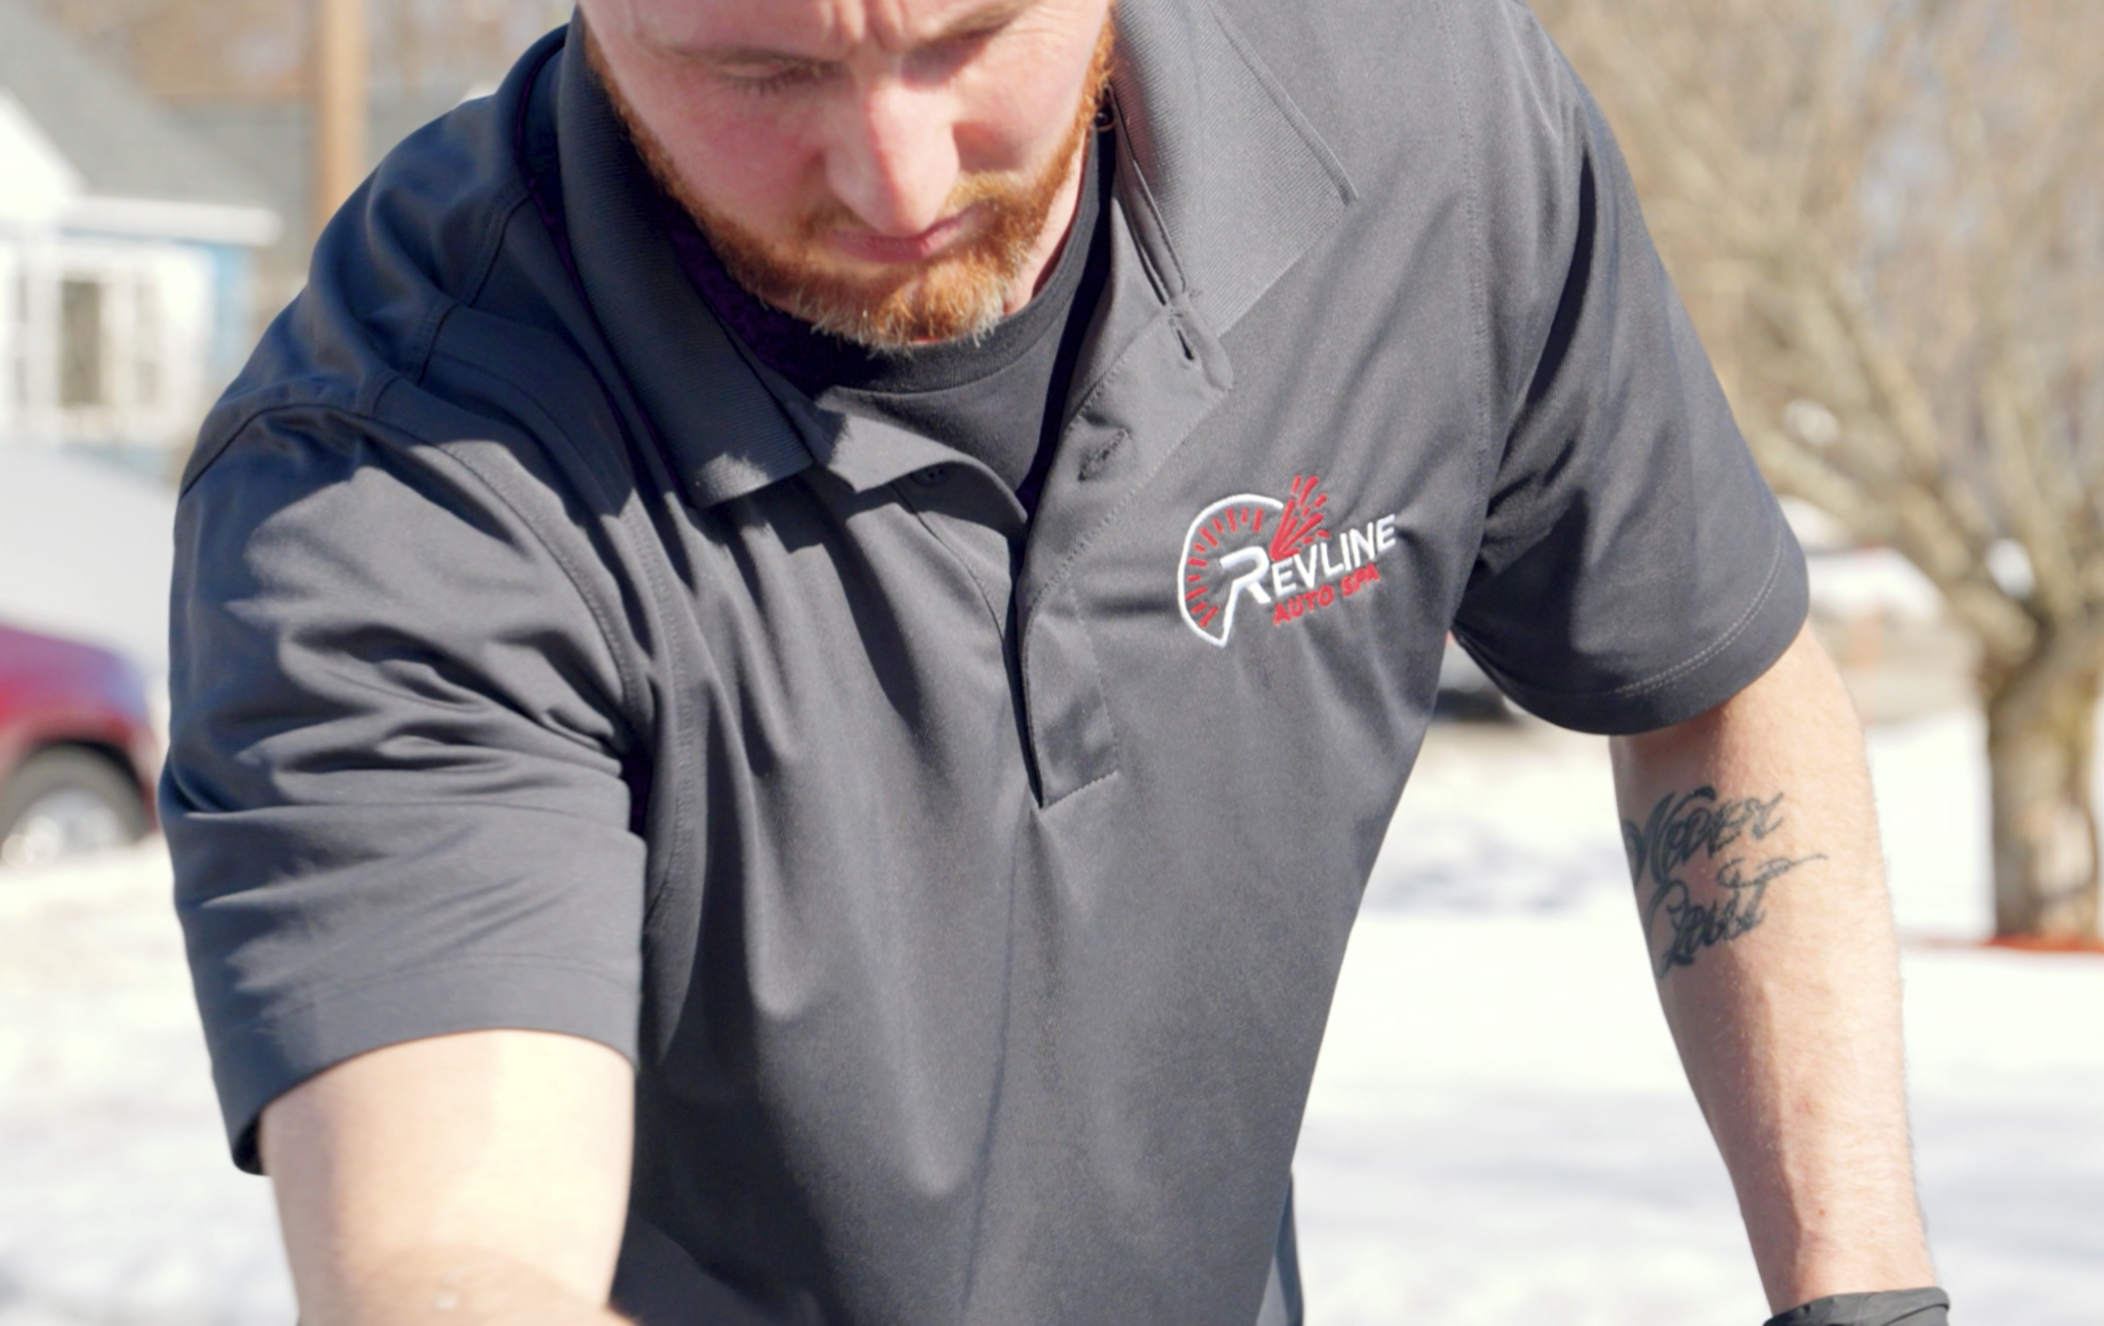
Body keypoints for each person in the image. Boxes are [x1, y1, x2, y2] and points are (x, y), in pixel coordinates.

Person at [164, 0, 1949, 1321]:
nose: (897, 176)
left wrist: (1856, 1285)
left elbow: (1714, 673)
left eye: (968, 35)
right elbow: (458, 1262)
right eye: (761, 72)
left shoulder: (1427, 124)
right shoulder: (395, 477)